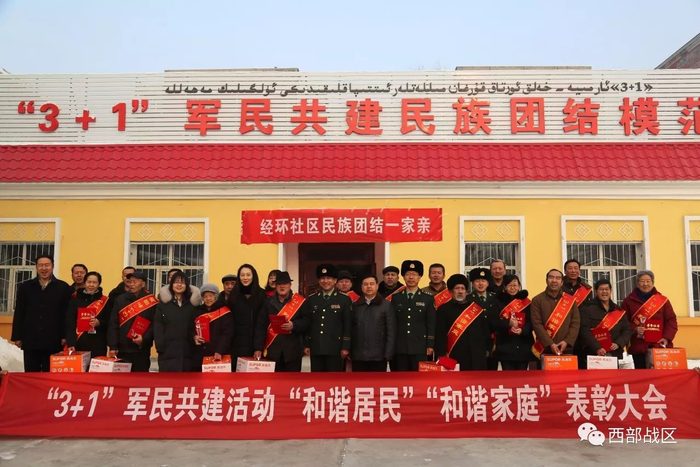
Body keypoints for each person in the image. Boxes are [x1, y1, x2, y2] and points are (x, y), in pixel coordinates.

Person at [11, 254, 72, 372]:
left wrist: (65, 336)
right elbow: (19, 312)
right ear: (36, 267)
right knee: (31, 373)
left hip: (54, 339)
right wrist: (17, 336)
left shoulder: (63, 287)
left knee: (50, 373)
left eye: (47, 265)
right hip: (30, 338)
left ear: (53, 266)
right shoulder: (26, 287)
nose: (44, 268)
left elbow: (66, 314)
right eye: (40, 265)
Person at [621, 270, 678, 370]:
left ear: (652, 282)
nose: (645, 284)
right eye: (642, 281)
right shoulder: (628, 301)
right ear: (637, 283)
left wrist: (666, 338)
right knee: (642, 376)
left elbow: (671, 321)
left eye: (648, 281)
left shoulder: (662, 300)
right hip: (638, 346)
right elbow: (623, 322)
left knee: (660, 376)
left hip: (659, 345)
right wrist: (635, 329)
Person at [254, 271, 309, 372]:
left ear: (290, 285)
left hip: (293, 352)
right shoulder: (268, 303)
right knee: (273, 381)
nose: (282, 286)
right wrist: (258, 348)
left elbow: (307, 322)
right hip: (272, 351)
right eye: (279, 284)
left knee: (292, 381)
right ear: (275, 286)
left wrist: (294, 325)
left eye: (285, 283)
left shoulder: (300, 302)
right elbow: (261, 326)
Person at [435, 274, 491, 371]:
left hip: (476, 355)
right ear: (451, 291)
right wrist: (440, 354)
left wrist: (487, 349)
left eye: (463, 288)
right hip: (454, 355)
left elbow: (485, 331)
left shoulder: (476, 308)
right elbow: (440, 334)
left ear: (466, 291)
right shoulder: (443, 309)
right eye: (457, 288)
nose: (460, 291)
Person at [302, 264, 352, 372]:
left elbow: (347, 325)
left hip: (335, 348)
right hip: (316, 346)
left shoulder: (344, 299)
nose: (325, 281)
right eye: (322, 278)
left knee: (334, 379)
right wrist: (307, 344)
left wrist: (345, 346)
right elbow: (308, 323)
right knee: (317, 379)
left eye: (329, 278)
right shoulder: (312, 299)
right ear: (319, 281)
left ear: (335, 281)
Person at [576, 279, 633, 369]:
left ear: (610, 291)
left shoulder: (618, 310)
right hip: (593, 353)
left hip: (614, 353)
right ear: (596, 291)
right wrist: (597, 347)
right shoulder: (587, 308)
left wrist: (618, 343)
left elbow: (627, 331)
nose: (604, 292)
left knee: (613, 378)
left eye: (607, 289)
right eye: (601, 289)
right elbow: (584, 331)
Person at [107, 270, 158, 372]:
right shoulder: (120, 300)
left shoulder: (151, 301)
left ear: (143, 284)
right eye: (130, 282)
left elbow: (155, 324)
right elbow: (113, 323)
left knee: (140, 378)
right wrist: (113, 346)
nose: (131, 284)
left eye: (135, 282)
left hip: (141, 349)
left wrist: (144, 338)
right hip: (122, 349)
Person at [390, 260, 435, 371]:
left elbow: (431, 323)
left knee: (418, 378)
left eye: (414, 274)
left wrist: (430, 344)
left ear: (419, 277)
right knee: (401, 377)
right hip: (400, 346)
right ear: (403, 277)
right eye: (408, 274)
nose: (411, 277)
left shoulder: (427, 298)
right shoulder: (396, 298)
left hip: (419, 346)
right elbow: (392, 323)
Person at [154, 272, 201, 372]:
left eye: (182, 282)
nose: (179, 285)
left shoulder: (192, 305)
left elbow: (194, 327)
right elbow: (158, 326)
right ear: (171, 284)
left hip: (188, 351)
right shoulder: (163, 305)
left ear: (187, 285)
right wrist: (160, 346)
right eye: (176, 282)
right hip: (167, 351)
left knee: (186, 380)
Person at [531, 269, 581, 363]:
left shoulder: (570, 300)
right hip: (544, 348)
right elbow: (537, 324)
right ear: (546, 280)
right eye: (551, 277)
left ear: (562, 282)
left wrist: (567, 341)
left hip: (566, 348)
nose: (554, 280)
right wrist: (550, 344)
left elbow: (575, 323)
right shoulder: (537, 300)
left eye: (558, 278)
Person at [350, 274, 396, 372]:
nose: (369, 287)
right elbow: (351, 330)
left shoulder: (386, 305)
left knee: (377, 381)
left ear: (377, 286)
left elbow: (391, 331)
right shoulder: (355, 306)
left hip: (379, 356)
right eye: (365, 284)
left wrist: (388, 353)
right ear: (361, 287)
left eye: (371, 284)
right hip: (358, 356)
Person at [228, 264, 266, 368]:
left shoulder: (261, 295)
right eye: (242, 275)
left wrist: (258, 347)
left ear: (254, 276)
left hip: (256, 346)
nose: (245, 278)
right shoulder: (233, 295)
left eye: (248, 275)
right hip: (236, 345)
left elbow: (262, 323)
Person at [66, 271, 111, 358]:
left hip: (98, 344)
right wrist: (71, 343)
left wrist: (99, 322)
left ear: (99, 284)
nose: (91, 285)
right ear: (84, 282)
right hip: (79, 343)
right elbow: (70, 322)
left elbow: (110, 321)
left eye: (94, 282)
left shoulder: (105, 301)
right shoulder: (75, 301)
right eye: (89, 282)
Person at [494, 274, 535, 370]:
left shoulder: (526, 302)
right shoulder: (498, 301)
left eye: (515, 285)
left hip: (523, 345)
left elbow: (532, 321)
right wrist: (507, 323)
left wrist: (522, 330)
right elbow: (494, 321)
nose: (512, 288)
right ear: (504, 287)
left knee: (522, 376)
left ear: (519, 286)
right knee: (508, 376)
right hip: (505, 345)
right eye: (509, 285)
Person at [192, 283, 233, 371]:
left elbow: (227, 333)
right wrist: (194, 336)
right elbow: (191, 328)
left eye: (211, 296)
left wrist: (219, 351)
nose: (208, 299)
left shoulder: (224, 311)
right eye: (205, 296)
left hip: (218, 353)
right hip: (200, 353)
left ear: (216, 297)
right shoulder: (198, 311)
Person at [467, 268, 499, 370]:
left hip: (493, 340)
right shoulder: (468, 300)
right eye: (477, 281)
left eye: (483, 281)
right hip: (476, 341)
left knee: (492, 370)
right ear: (472, 284)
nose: (480, 284)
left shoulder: (495, 298)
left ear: (488, 283)